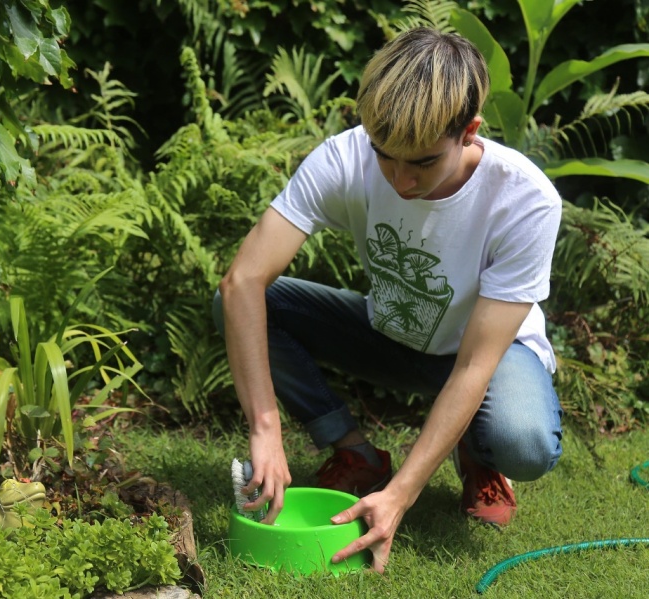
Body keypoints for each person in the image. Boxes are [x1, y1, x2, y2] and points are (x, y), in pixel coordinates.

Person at [212, 27, 563, 573]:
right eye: (385, 156)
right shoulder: (345, 157)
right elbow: (243, 281)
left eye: (421, 163)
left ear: (469, 132)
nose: (400, 179)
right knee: (241, 303)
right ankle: (353, 451)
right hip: (391, 335)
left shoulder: (525, 199)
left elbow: (474, 364)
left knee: (526, 443)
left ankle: (480, 451)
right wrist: (265, 427)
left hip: (489, 358)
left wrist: (399, 497)